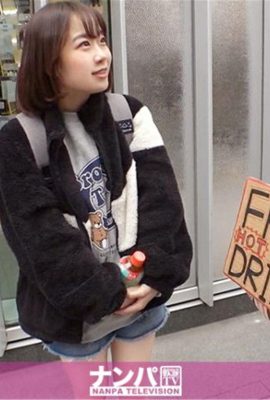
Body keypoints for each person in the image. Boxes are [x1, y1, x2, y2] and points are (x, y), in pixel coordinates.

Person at [0, 1, 192, 363]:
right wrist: (105, 293)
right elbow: (40, 241)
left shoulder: (128, 115)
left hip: (141, 298)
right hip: (77, 317)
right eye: (84, 45)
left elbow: (163, 203)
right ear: (48, 58)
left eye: (101, 41)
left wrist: (153, 277)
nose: (102, 55)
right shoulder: (17, 141)